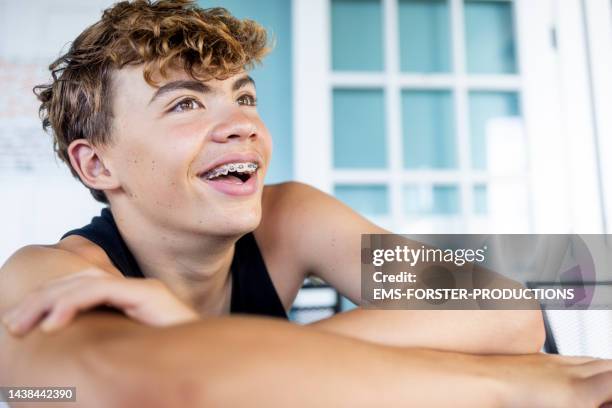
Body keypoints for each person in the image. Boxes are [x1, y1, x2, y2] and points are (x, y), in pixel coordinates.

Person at [1, 1, 612, 406]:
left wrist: (205, 340)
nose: (242, 125)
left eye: (243, 97)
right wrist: (512, 386)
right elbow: (156, 386)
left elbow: (509, 311)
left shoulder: (289, 217)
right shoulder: (45, 274)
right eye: (185, 105)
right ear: (97, 164)